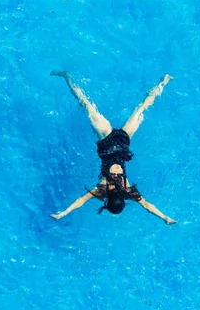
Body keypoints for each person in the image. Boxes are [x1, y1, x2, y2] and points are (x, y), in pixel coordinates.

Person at [50, 71, 176, 225]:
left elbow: (147, 205)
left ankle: (164, 82)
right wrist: (63, 213)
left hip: (123, 142)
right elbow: (80, 201)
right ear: (106, 201)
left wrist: (165, 218)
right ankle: (67, 77)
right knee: (86, 105)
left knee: (141, 108)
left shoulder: (128, 190)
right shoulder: (101, 189)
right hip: (106, 140)